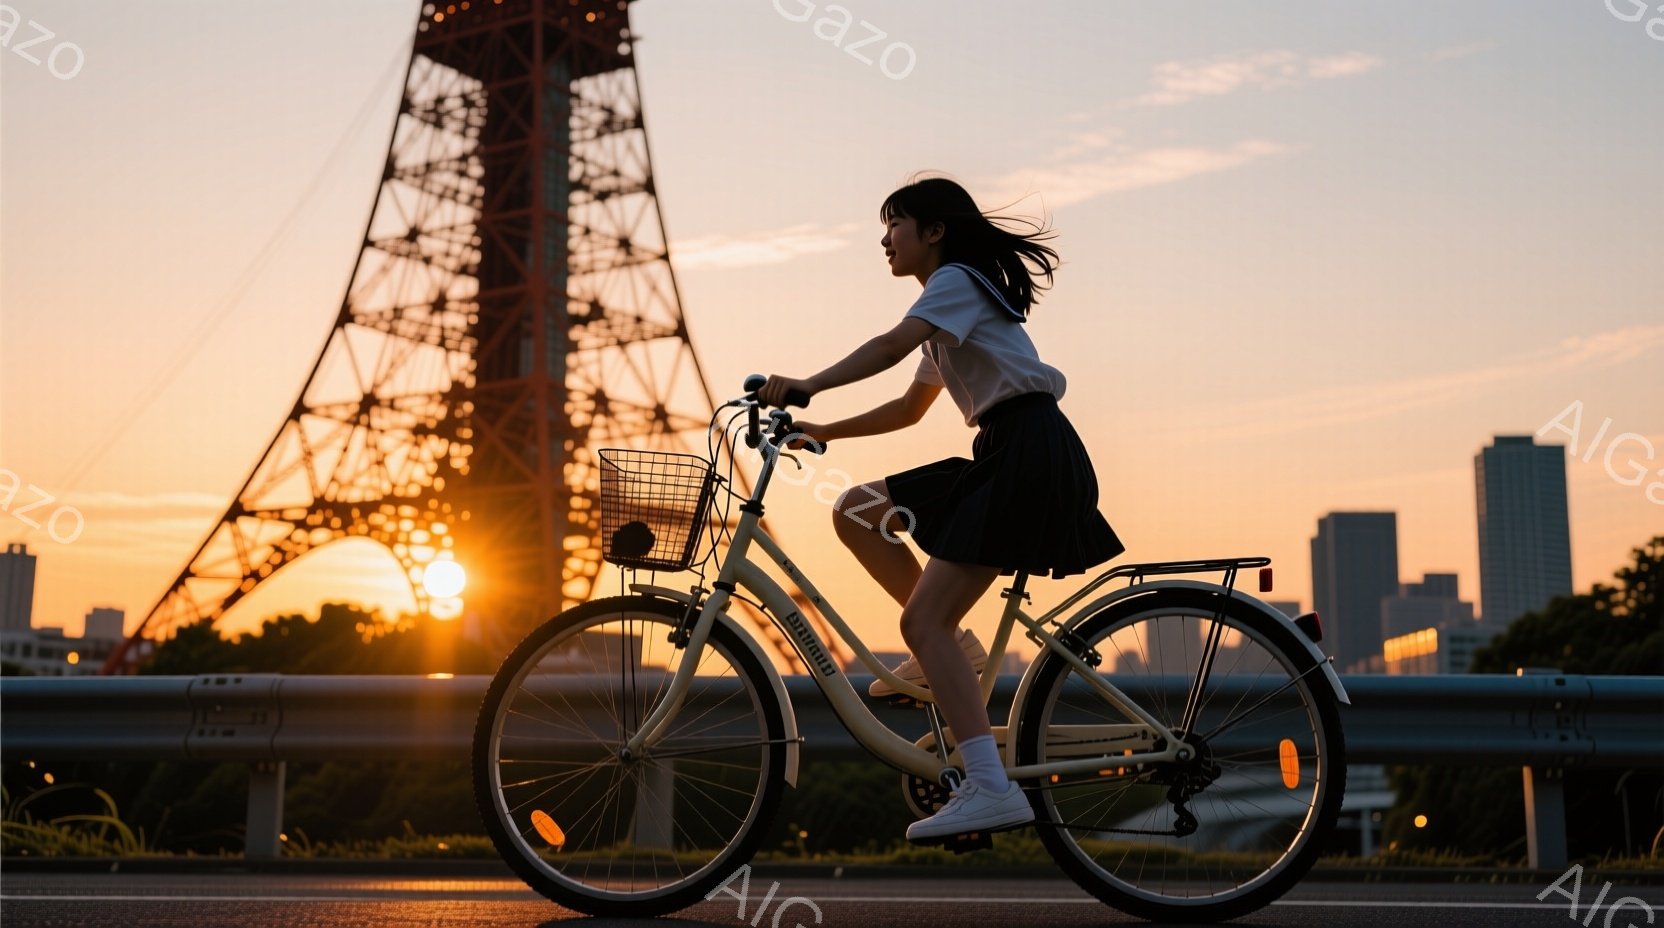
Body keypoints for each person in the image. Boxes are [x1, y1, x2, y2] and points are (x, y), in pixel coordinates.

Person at [757, 175, 1125, 842]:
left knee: (920, 617)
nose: (883, 239)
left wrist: (809, 384)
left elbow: (888, 345)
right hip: (1009, 451)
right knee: (857, 509)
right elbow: (908, 408)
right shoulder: (948, 311)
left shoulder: (954, 282)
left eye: (894, 224)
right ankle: (952, 649)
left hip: (1028, 453)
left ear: (934, 231)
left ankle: (989, 786)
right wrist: (827, 431)